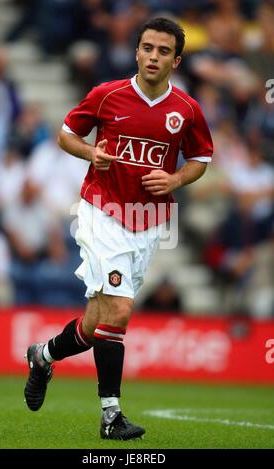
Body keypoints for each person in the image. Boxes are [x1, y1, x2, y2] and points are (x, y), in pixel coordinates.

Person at [24, 17, 213, 440]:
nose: (153, 56)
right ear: (136, 52)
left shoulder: (186, 110)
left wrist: (176, 179)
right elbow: (66, 135)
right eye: (147, 47)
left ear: (176, 60)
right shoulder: (106, 95)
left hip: (148, 223)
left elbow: (202, 158)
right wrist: (92, 152)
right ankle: (111, 415)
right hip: (101, 211)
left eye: (163, 51)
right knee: (120, 311)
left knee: (97, 324)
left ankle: (43, 355)